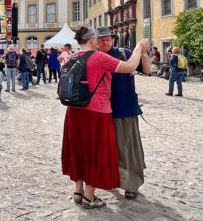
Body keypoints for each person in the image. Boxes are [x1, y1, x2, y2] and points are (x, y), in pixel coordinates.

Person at [62, 26, 149, 209]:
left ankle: (78, 191)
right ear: (92, 40)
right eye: (97, 38)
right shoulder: (98, 57)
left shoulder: (73, 56)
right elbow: (130, 66)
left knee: (79, 150)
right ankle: (88, 197)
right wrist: (139, 47)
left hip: (74, 111)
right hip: (97, 112)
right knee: (96, 153)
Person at [97, 27, 150, 200]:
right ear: (95, 41)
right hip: (102, 111)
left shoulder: (124, 53)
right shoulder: (95, 57)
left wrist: (143, 52)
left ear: (113, 39)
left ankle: (132, 184)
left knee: (129, 148)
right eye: (101, 39)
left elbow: (148, 70)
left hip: (125, 108)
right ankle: (111, 179)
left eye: (108, 39)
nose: (105, 42)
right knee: (108, 149)